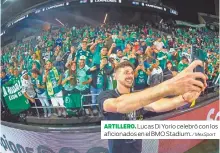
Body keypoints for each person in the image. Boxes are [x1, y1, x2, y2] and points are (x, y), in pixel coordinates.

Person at [98, 60, 207, 153]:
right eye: (126, 72)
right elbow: (118, 105)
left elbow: (158, 105)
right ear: (115, 76)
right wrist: (170, 86)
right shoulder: (107, 95)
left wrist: (183, 98)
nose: (130, 75)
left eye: (132, 72)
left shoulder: (139, 96)